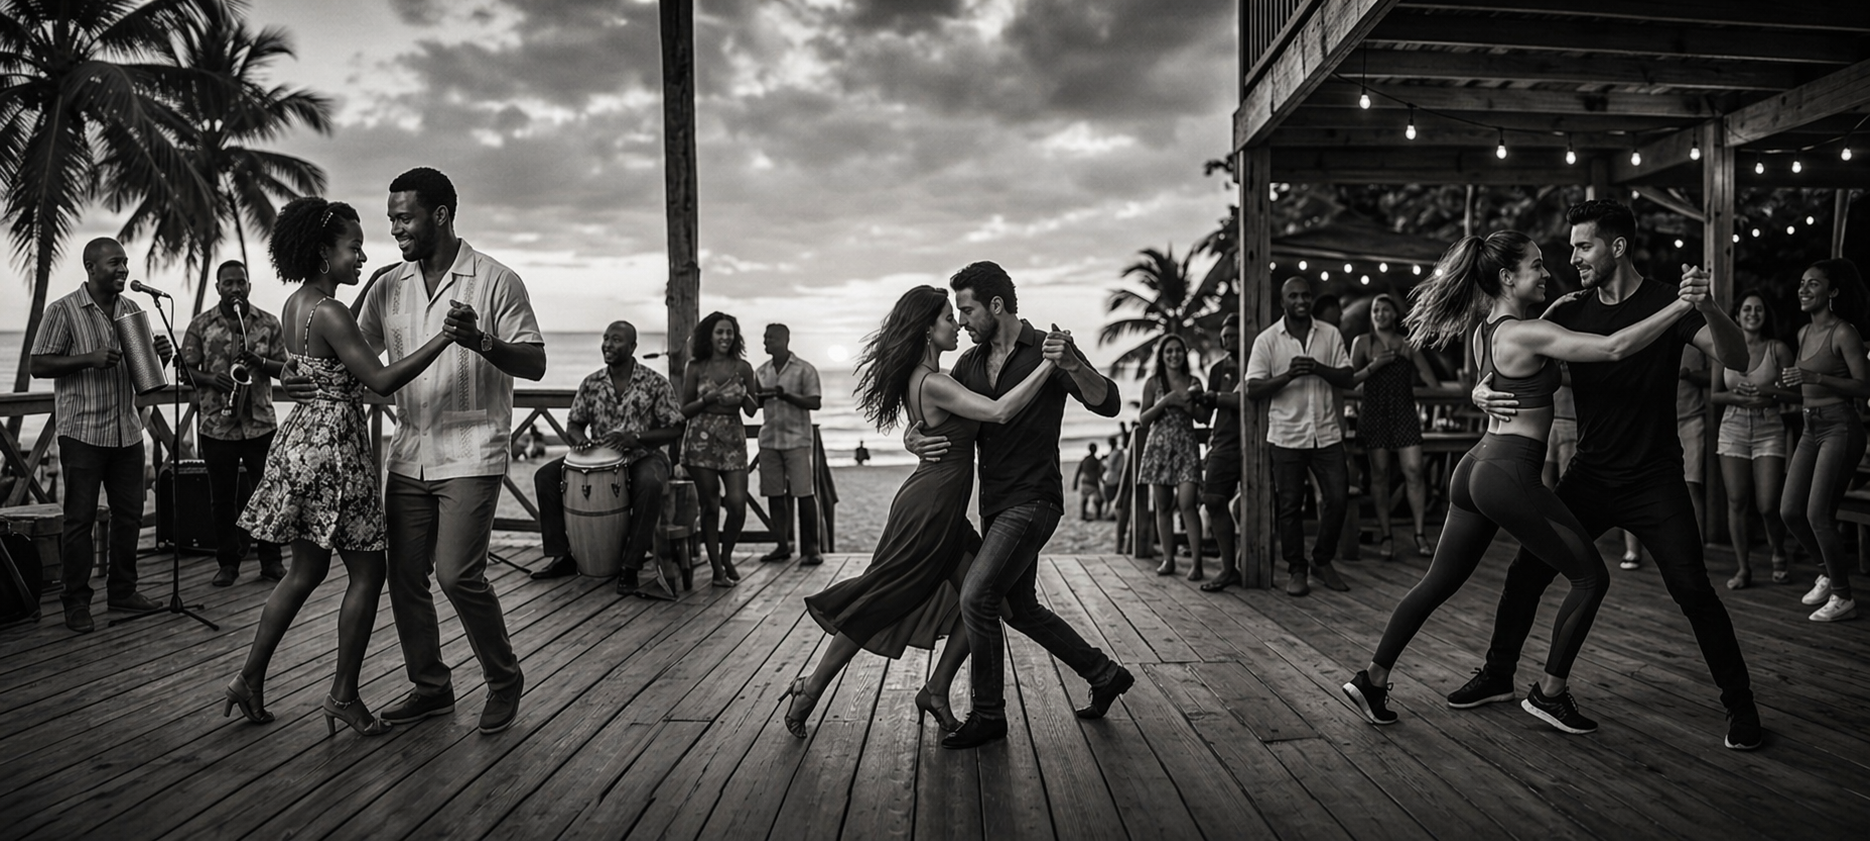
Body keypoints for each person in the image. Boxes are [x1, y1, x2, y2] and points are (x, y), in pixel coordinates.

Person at [1340, 229, 1697, 734]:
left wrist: (1548, 319)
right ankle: (1549, 694)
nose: (1548, 272)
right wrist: (1679, 308)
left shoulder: (1492, 329)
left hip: (1476, 467)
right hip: (1508, 471)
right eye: (1535, 265)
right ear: (1507, 277)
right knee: (1591, 578)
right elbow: (1615, 348)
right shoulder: (1525, 334)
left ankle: (1372, 678)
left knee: (1437, 582)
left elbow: (1510, 358)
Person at [1465, 199, 1763, 750]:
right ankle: (1498, 674)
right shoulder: (1570, 309)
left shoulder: (1663, 303)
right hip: (1591, 475)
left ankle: (1741, 706)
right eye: (1573, 246)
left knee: (1693, 588)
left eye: (1584, 246)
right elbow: (1501, 352)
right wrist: (1479, 388)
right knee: (1526, 572)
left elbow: (1739, 359)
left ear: (1617, 247)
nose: (1573, 257)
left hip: (1655, 479)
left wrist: (1711, 307)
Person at [315, 166, 545, 735]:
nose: (395, 229)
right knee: (405, 575)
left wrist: (483, 342)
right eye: (391, 217)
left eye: (404, 217)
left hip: (472, 450)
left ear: (440, 215)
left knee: (458, 575)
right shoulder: (388, 285)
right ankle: (432, 687)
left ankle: (503, 678)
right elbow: (356, 355)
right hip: (408, 449)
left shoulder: (496, 280)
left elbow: (536, 363)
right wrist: (308, 379)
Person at [783, 285, 1057, 738]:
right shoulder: (933, 381)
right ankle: (809, 689)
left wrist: (912, 439)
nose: (957, 325)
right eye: (949, 318)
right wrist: (1049, 363)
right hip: (928, 511)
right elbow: (1001, 411)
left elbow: (935, 428)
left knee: (989, 602)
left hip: (941, 507)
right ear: (928, 329)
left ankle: (935, 688)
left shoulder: (931, 378)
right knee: (882, 598)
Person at [227, 197, 456, 735]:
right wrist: (444, 338)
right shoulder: (331, 311)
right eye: (353, 248)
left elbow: (322, 357)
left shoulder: (297, 304)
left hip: (302, 439)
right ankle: (343, 695)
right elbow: (379, 380)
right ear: (323, 252)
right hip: (336, 449)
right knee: (369, 571)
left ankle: (249, 678)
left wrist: (374, 276)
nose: (360, 255)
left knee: (304, 571)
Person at [905, 261, 1132, 750]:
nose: (960, 321)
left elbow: (1108, 403)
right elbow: (937, 414)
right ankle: (1103, 672)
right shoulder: (968, 365)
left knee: (977, 597)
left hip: (1035, 499)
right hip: (994, 503)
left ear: (996, 305)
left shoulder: (1048, 350)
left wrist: (1073, 364)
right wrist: (911, 438)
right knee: (1019, 607)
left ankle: (989, 714)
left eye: (966, 310)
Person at [29, 237, 174, 633]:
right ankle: (76, 602)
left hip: (127, 431)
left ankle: (123, 591)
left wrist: (160, 357)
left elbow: (146, 382)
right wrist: (87, 359)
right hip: (83, 432)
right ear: (90, 267)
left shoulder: (132, 309)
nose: (123, 269)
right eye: (114, 263)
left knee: (128, 516)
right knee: (79, 521)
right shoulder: (63, 311)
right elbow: (38, 365)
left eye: (125, 262)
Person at [526, 322, 686, 600]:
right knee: (546, 477)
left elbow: (676, 427)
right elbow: (574, 423)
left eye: (616, 340)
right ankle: (561, 556)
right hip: (599, 459)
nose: (608, 344)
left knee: (650, 484)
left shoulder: (655, 382)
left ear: (633, 347)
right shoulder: (591, 382)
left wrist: (638, 437)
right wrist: (579, 441)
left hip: (643, 455)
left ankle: (630, 565)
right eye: (605, 338)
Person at [1245, 277, 1355, 597]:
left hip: (1326, 432)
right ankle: (1297, 568)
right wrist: (1289, 375)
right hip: (1286, 435)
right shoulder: (1267, 341)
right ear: (1283, 302)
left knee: (1338, 498)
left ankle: (1322, 560)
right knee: (1290, 506)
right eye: (1293, 295)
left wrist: (1318, 368)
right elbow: (1252, 388)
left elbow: (1347, 377)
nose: (1301, 300)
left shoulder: (1330, 334)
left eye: (1305, 295)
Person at [181, 260, 287, 587]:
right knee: (222, 499)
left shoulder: (268, 323)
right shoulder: (201, 324)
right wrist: (211, 378)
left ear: (249, 287)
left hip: (259, 423)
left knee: (268, 493)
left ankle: (272, 561)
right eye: (229, 283)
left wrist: (260, 362)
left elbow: (285, 367)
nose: (236, 288)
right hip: (217, 424)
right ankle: (228, 563)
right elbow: (185, 370)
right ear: (218, 288)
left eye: (241, 282)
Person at [1783, 259, 1870, 622]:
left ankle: (1843, 597)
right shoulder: (1804, 334)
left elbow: (1864, 388)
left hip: (1840, 427)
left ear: (1832, 292)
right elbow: (1803, 386)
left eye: (1813, 284)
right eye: (1802, 283)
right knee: (1790, 511)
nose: (1803, 289)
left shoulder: (1843, 332)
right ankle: (1827, 572)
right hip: (1809, 428)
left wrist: (1817, 380)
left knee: (1818, 514)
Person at [1710, 290, 1793, 589]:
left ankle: (1778, 552)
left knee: (1769, 504)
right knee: (1736, 500)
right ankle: (1743, 568)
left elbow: (1797, 393)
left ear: (1765, 315)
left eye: (1758, 309)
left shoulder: (1778, 349)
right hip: (1733, 426)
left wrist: (1768, 392)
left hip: (1768, 426)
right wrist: (1736, 396)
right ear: (1736, 316)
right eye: (1746, 309)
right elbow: (1715, 395)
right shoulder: (1724, 347)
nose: (1752, 314)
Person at [1349, 293, 1440, 560]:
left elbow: (1430, 379)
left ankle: (1420, 533)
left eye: (1386, 310)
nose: (1379, 314)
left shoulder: (1406, 344)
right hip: (1374, 413)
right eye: (1376, 309)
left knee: (1414, 471)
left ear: (1395, 315)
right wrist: (1374, 366)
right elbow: (1350, 379)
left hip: (1404, 413)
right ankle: (1386, 535)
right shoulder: (1363, 343)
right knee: (1380, 474)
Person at [679, 312, 759, 587]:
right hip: (700, 441)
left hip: (733, 441)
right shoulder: (696, 366)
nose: (725, 337)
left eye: (730, 332)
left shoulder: (744, 367)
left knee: (737, 505)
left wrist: (745, 393)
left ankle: (726, 555)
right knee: (710, 506)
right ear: (709, 336)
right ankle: (716, 569)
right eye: (720, 332)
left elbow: (751, 410)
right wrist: (710, 398)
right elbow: (685, 410)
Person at [753, 323, 825, 567]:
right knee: (774, 494)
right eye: (765, 338)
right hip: (769, 439)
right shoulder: (761, 372)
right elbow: (755, 406)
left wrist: (787, 396)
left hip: (797, 439)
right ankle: (782, 545)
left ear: (785, 340)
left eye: (770, 338)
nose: (766, 342)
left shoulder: (805, 369)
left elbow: (815, 402)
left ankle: (811, 549)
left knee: (804, 493)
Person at [1137, 334, 1205, 578]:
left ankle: (1197, 563)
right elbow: (1143, 419)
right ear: (1162, 356)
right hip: (1159, 449)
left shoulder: (1194, 381)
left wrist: (1189, 404)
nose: (1174, 355)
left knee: (1188, 504)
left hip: (1186, 446)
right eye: (1169, 352)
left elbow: (1203, 417)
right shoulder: (1154, 382)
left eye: (1178, 350)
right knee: (1163, 507)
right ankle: (1169, 559)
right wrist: (1166, 401)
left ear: (1184, 354)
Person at [1198, 314, 1244, 591]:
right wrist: (1195, 397)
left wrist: (1215, 398)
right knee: (1213, 499)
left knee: (1256, 504)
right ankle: (1229, 568)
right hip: (1224, 440)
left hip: (1255, 440)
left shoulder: (1256, 362)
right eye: (1225, 336)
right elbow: (1205, 414)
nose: (1227, 340)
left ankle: (1248, 561)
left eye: (1233, 335)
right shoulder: (1218, 369)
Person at [1072, 443, 1104, 521]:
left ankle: (1083, 514)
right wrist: (1103, 480)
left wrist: (1075, 484)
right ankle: (1098, 514)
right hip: (1093, 483)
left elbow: (1078, 472)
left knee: (1084, 500)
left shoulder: (1085, 460)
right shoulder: (1096, 461)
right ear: (1096, 450)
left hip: (1085, 482)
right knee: (1099, 500)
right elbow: (1100, 473)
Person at [1101, 434, 1126, 522]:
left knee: (1109, 498)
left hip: (1111, 477)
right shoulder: (1117, 452)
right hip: (1114, 477)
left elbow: (1110, 465)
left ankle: (1109, 514)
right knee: (1111, 497)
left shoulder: (1116, 453)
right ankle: (1110, 514)